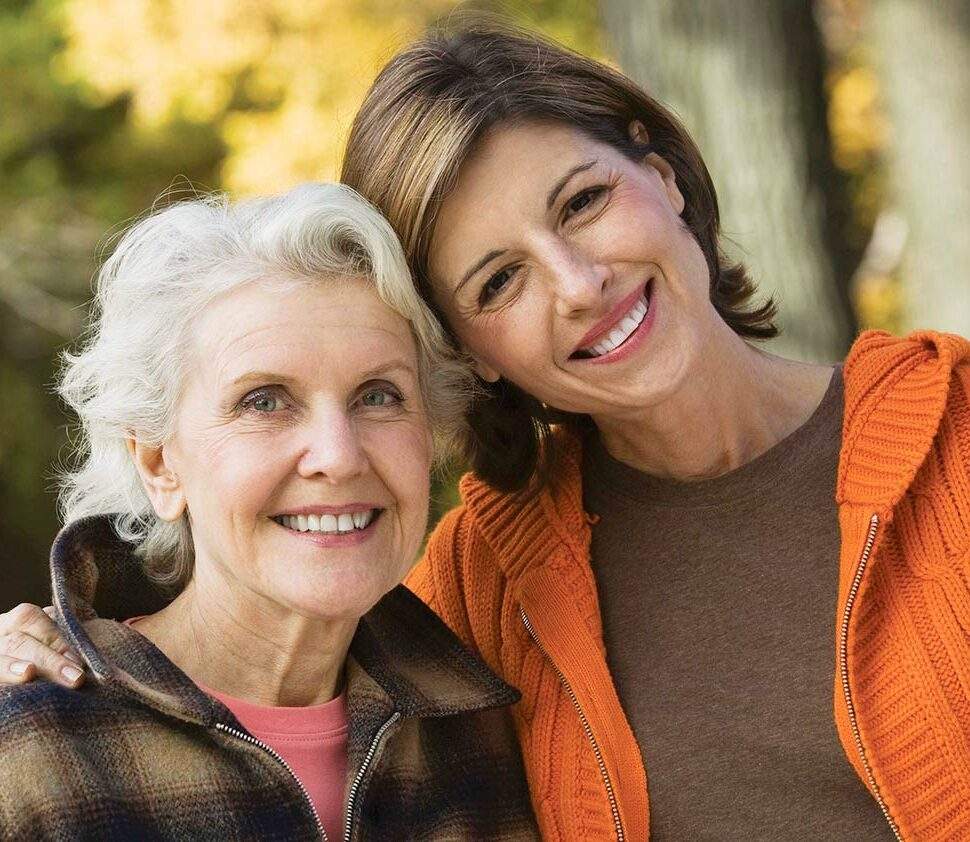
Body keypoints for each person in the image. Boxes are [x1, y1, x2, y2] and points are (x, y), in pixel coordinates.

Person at [4, 21, 969, 842]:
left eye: (583, 202)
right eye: (498, 280)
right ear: (473, 353)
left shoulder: (954, 442)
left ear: (663, 172)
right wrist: (48, 644)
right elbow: (263, 590)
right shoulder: (486, 587)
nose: (578, 284)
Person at [0, 183, 539, 840]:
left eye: (378, 395)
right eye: (264, 401)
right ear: (159, 465)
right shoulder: (33, 750)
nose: (338, 457)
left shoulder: (481, 729)